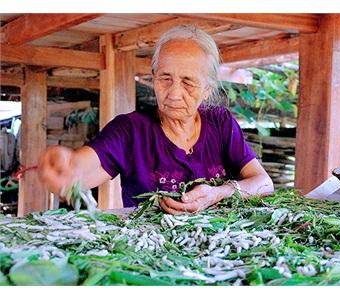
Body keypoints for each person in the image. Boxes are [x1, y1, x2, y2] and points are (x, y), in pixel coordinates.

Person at [38, 25, 274, 215]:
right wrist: (66, 169)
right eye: (165, 78)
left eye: (188, 82)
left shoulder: (220, 122)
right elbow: (79, 172)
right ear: (153, 78)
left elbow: (263, 183)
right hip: (153, 255)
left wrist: (219, 193)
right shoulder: (131, 130)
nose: (174, 93)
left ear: (207, 89)